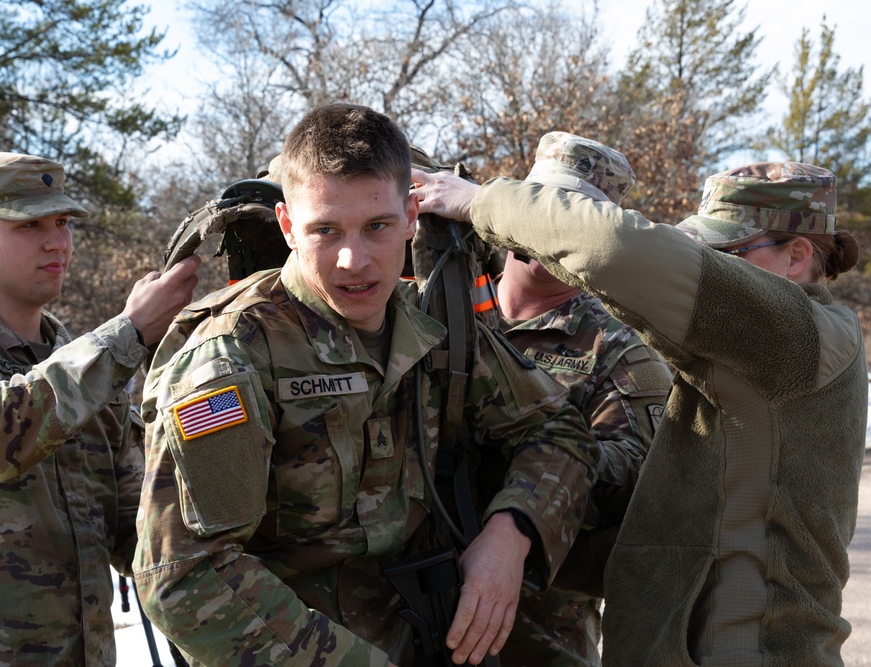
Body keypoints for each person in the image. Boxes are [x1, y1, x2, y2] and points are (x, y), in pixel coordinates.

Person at [133, 103, 601, 667]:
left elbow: (558, 431)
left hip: (425, 634)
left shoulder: (436, 330)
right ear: (287, 226)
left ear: (409, 216)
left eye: (377, 227)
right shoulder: (233, 356)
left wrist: (512, 532)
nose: (354, 260)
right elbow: (183, 576)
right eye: (324, 231)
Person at [412, 160, 866, 666]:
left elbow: (613, 246)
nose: (706, 267)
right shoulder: (744, 368)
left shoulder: (794, 335)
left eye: (722, 255)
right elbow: (661, 543)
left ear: (796, 257)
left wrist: (479, 202)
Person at [0, 152, 201, 665]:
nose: (57, 242)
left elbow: (134, 530)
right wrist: (127, 335)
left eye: (63, 222)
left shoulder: (82, 360)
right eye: (29, 225)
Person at [492, 132, 672, 667]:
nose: (551, 232)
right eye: (543, 208)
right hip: (405, 615)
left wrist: (517, 461)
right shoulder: (442, 307)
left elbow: (637, 482)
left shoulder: (619, 346)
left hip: (538, 634)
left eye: (572, 220)